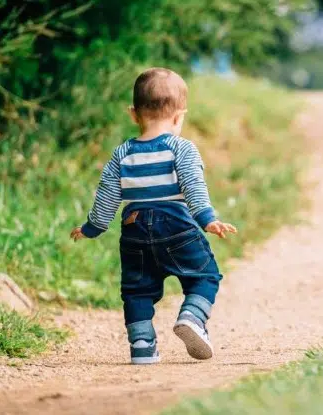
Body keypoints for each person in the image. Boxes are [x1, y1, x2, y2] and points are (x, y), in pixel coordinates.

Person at [70, 67, 236, 364]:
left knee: (137, 290)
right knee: (204, 275)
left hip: (133, 229)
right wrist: (207, 218)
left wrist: (91, 228)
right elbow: (193, 186)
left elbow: (106, 197)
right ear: (178, 116)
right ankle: (192, 317)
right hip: (176, 225)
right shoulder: (181, 148)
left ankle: (142, 345)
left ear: (133, 114)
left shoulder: (121, 154)